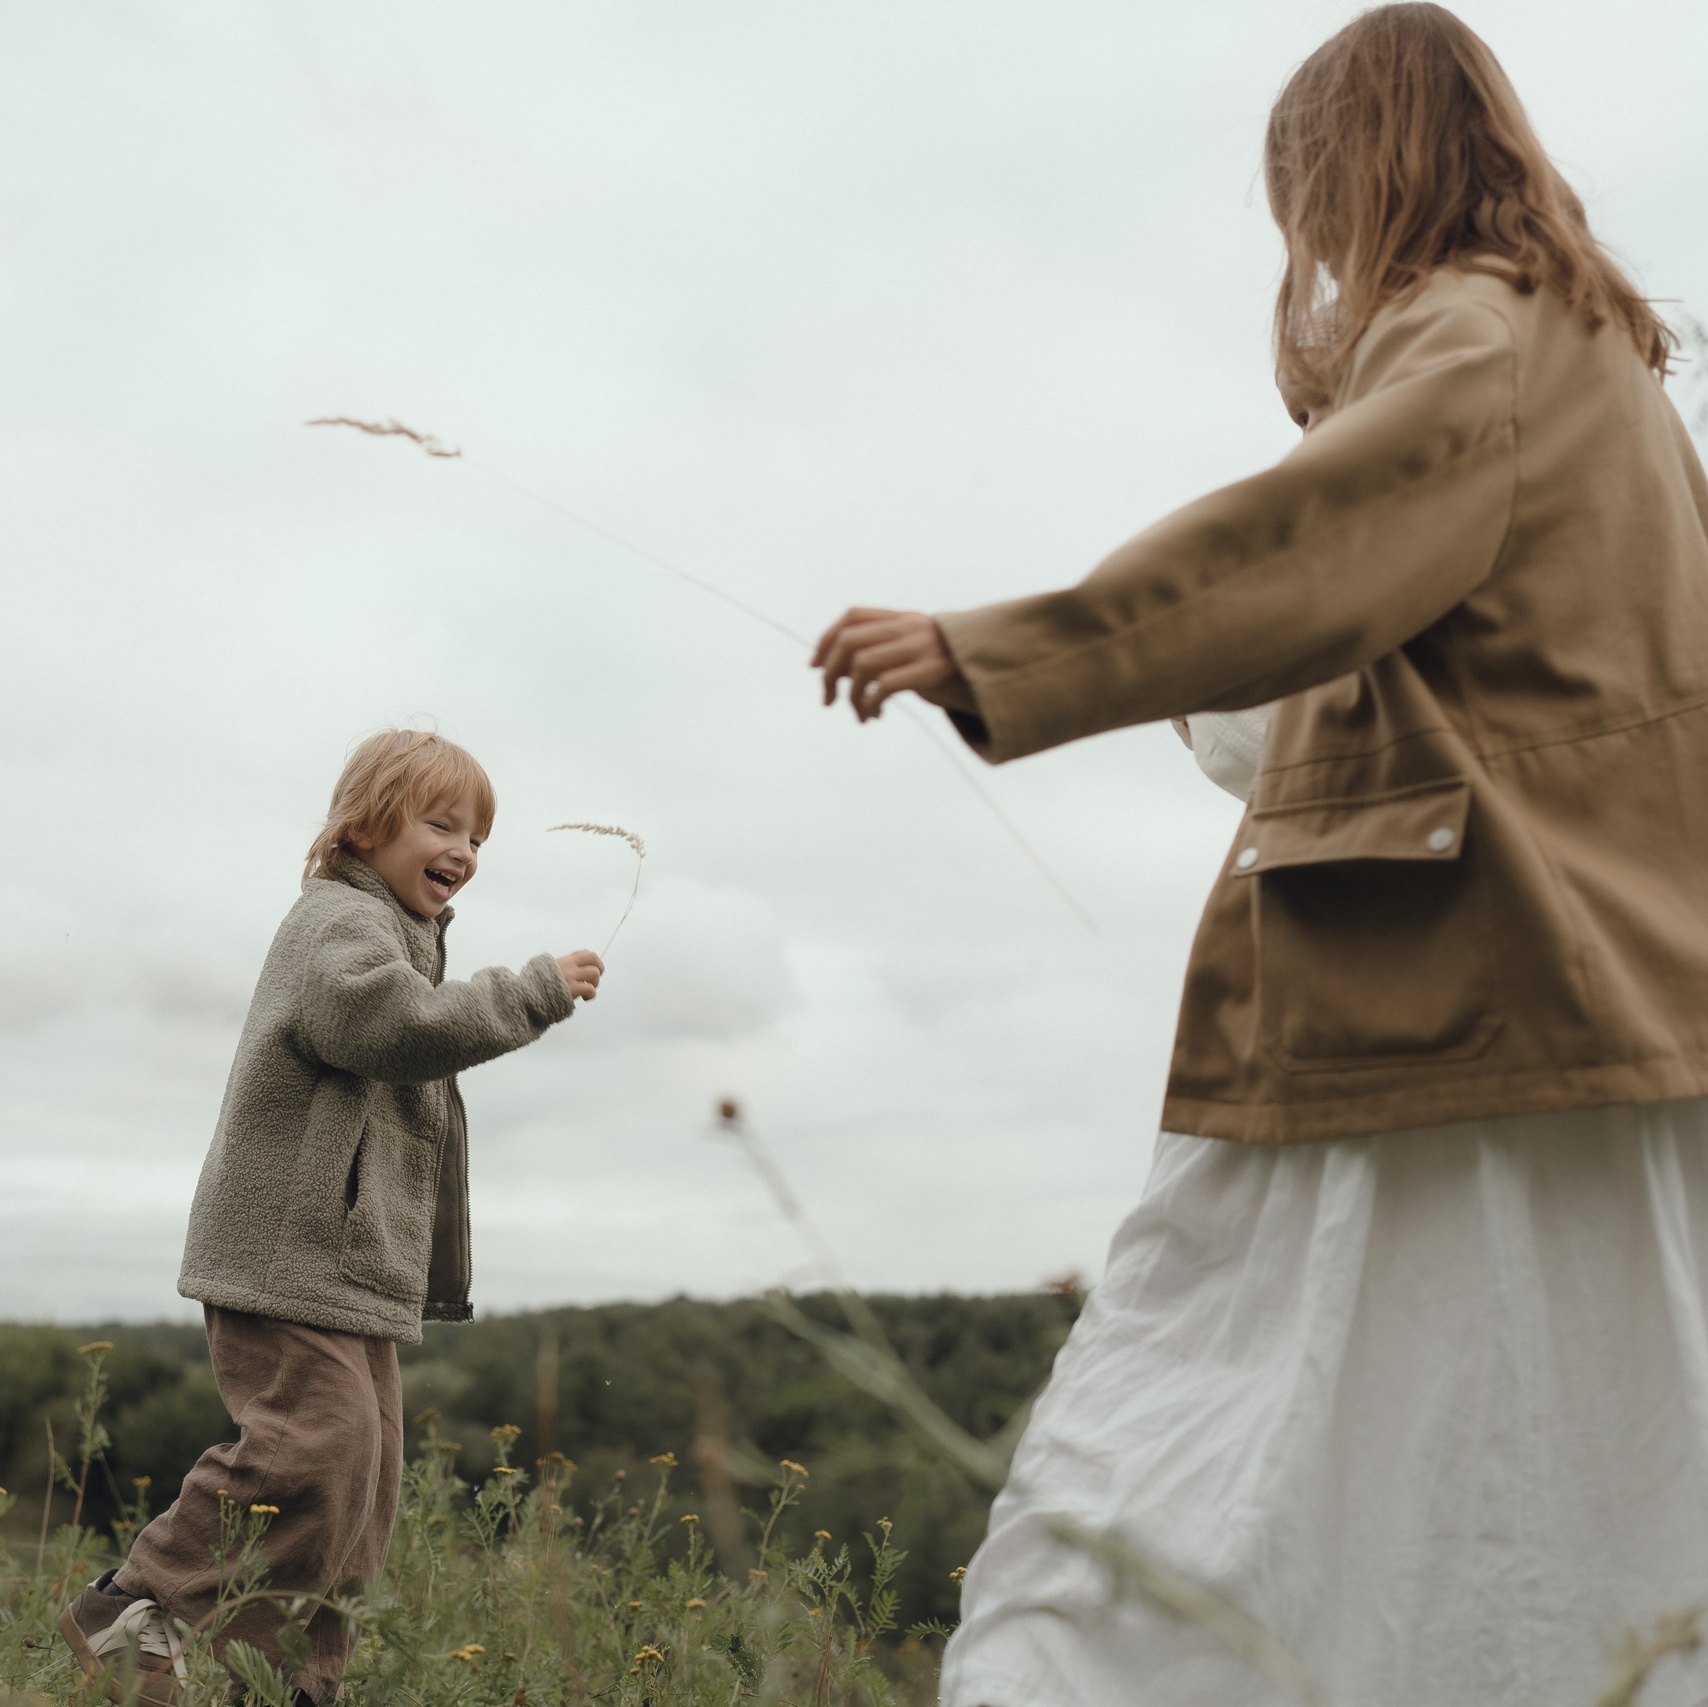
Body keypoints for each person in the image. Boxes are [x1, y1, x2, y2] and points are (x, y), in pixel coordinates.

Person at [816, 6, 1708, 1703]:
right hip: (1617, 1006)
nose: (1301, 243)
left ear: (1356, 170)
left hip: (1436, 1001)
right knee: (1569, 1484)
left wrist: (996, 647)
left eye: (1304, 195)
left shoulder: (1471, 333)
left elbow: (1308, 549)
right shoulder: (1616, 385)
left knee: (1182, 1447)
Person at [58, 729, 605, 1706]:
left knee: (363, 1488)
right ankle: (141, 1604)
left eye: (479, 835)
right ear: (364, 826)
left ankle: (282, 1679)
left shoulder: (399, 936)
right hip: (286, 1255)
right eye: (443, 823)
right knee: (317, 1449)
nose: (465, 850)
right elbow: (386, 1027)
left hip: (350, 1270)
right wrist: (530, 993)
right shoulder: (339, 923)